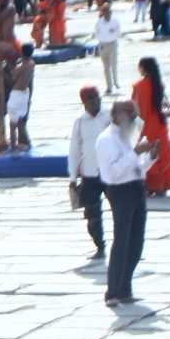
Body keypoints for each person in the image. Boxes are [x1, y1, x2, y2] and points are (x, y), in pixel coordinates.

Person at [97, 98, 150, 306]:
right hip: (120, 191)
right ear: (116, 115)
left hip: (137, 188)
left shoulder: (129, 135)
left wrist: (150, 158)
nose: (133, 116)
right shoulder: (106, 139)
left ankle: (125, 289)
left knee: (136, 242)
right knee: (121, 241)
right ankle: (113, 291)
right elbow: (113, 172)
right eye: (128, 112)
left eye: (133, 111)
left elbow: (137, 168)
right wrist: (135, 152)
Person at [66, 85, 109, 263]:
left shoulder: (110, 116)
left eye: (97, 97)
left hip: (111, 173)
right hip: (90, 175)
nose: (95, 101)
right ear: (84, 102)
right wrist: (72, 178)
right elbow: (74, 150)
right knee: (92, 214)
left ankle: (125, 243)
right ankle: (100, 246)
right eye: (90, 99)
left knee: (122, 211)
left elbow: (132, 130)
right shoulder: (80, 122)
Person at [131, 58, 170, 198]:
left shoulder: (138, 86)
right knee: (161, 155)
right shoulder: (159, 84)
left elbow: (136, 110)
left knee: (147, 156)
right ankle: (162, 186)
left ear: (143, 68)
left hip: (145, 126)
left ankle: (150, 187)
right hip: (159, 124)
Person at [91, 0, 123, 95]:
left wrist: (112, 35)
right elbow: (96, 33)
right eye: (104, 12)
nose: (106, 14)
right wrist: (100, 43)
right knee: (106, 67)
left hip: (113, 44)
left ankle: (116, 82)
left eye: (108, 11)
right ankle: (109, 86)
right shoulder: (99, 22)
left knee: (114, 64)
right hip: (103, 45)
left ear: (111, 12)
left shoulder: (115, 21)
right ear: (102, 12)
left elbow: (118, 32)